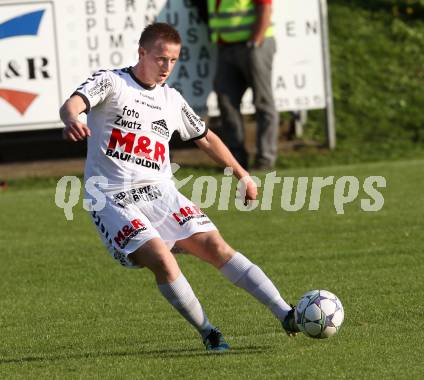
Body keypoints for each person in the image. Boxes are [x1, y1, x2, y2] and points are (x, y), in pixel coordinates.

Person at [59, 23, 298, 352]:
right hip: (111, 197)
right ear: (142, 52)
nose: (166, 67)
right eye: (160, 58)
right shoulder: (112, 82)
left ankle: (286, 313)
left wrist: (242, 173)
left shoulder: (171, 99)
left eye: (173, 61)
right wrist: (73, 119)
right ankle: (209, 333)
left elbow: (205, 137)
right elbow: (72, 104)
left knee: (216, 247)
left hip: (160, 192)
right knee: (161, 256)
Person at [208, 0, 279, 170]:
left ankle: (265, 159)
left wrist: (255, 42)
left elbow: (265, 7)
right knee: (226, 103)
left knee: (263, 103)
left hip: (254, 45)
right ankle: (236, 161)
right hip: (226, 47)